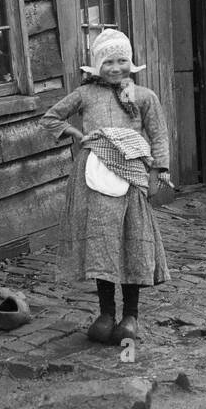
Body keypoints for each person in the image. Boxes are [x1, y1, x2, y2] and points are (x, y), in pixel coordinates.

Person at [40, 28, 172, 345]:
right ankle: (105, 313)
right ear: (97, 65)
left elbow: (159, 136)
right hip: (95, 180)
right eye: (108, 62)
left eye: (121, 60)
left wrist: (159, 170)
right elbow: (51, 117)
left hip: (131, 180)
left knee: (131, 244)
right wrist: (75, 133)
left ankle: (130, 316)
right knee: (102, 245)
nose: (115, 68)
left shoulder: (144, 97)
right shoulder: (85, 95)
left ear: (131, 62)